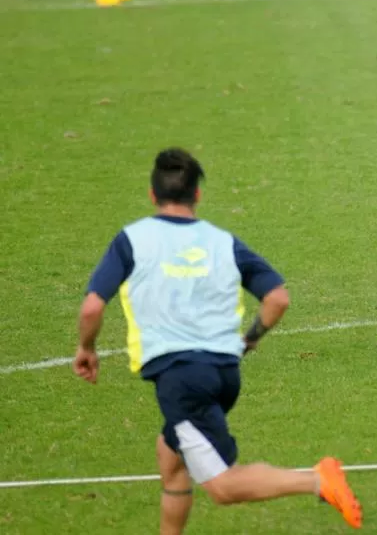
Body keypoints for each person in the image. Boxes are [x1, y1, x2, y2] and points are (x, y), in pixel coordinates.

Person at [72, 148, 362, 533]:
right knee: (171, 457)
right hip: (224, 371)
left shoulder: (132, 240)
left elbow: (92, 309)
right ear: (198, 195)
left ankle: (317, 480)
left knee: (222, 486)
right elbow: (278, 297)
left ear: (152, 195)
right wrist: (250, 339)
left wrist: (86, 349)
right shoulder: (222, 241)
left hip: (181, 378)